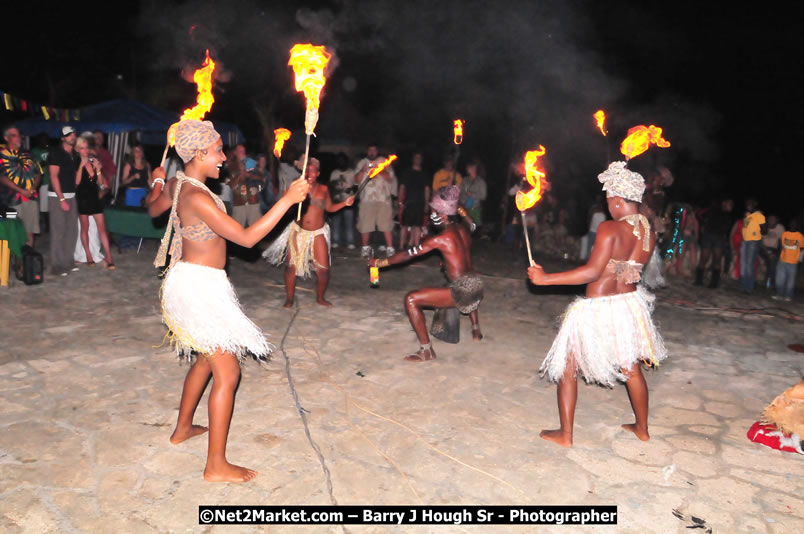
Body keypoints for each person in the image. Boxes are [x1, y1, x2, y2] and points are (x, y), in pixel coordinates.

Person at [145, 119, 309, 482]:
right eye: (218, 150)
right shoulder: (197, 197)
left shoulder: (177, 183)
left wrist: (156, 180)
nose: (223, 158)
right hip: (199, 287)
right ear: (198, 153)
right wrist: (287, 200)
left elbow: (153, 208)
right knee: (228, 372)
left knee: (207, 359)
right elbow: (247, 239)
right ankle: (215, 465)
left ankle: (182, 429)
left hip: (194, 281)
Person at [527, 161, 667, 447]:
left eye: (608, 200)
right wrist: (610, 269)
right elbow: (626, 272)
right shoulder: (647, 233)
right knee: (631, 369)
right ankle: (642, 428)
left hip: (597, 308)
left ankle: (566, 435)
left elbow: (592, 272)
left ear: (617, 200)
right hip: (628, 304)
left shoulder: (610, 228)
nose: (608, 206)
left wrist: (545, 279)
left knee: (568, 366)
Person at [370, 185, 484, 362]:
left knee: (411, 299)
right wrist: (457, 206)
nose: (431, 216)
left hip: (463, 292)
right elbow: (470, 220)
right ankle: (476, 329)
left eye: (435, 212)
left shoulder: (442, 238)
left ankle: (426, 350)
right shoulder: (464, 228)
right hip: (477, 287)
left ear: (444, 215)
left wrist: (379, 263)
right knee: (458, 279)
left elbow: (407, 255)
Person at [263, 157, 355, 308]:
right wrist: (286, 198)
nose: (309, 174)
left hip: (318, 232)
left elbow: (329, 208)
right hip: (298, 231)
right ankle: (290, 299)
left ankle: (320, 298)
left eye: (313, 171)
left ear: (318, 173)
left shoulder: (324, 189)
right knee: (291, 268)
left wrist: (345, 203)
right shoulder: (297, 187)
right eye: (307, 171)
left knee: (323, 270)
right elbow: (288, 209)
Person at [74, 133, 115, 269]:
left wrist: (98, 169)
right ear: (78, 149)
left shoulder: (93, 161)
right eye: (82, 148)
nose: (85, 151)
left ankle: (109, 257)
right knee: (85, 228)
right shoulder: (75, 162)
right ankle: (89, 256)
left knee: (102, 228)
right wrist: (81, 166)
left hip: (94, 198)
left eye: (86, 148)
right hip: (82, 199)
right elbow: (76, 183)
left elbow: (102, 184)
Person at [47, 126, 81, 276]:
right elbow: (53, 176)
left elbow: (76, 179)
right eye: (68, 135)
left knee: (72, 230)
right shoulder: (56, 153)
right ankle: (56, 265)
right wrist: (61, 198)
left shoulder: (75, 155)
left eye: (73, 134)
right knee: (58, 231)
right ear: (62, 138)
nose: (72, 136)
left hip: (71, 195)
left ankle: (68, 261)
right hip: (57, 197)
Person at [0, 125, 42, 247]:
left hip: (31, 198)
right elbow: (2, 178)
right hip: (12, 200)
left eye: (19, 135)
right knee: (14, 233)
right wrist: (21, 191)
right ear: (6, 138)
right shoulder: (2, 155)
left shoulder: (28, 153)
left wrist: (33, 188)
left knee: (30, 232)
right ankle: (17, 258)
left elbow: (38, 173)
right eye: (14, 135)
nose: (18, 138)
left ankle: (28, 258)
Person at [355, 144, 396, 258]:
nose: (372, 152)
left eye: (374, 150)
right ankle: (365, 248)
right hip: (367, 199)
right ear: (367, 151)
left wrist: (380, 170)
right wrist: (362, 170)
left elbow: (390, 178)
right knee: (365, 224)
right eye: (370, 150)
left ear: (377, 151)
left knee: (386, 224)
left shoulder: (384, 162)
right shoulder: (362, 162)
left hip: (383, 199)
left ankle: (390, 248)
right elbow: (356, 180)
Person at [695, 198, 734, 288]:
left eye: (732, 205)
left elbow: (727, 229)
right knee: (703, 258)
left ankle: (714, 283)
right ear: (724, 203)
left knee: (717, 260)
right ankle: (698, 280)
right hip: (708, 235)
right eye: (730, 204)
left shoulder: (729, 216)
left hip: (719, 238)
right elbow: (699, 214)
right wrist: (702, 224)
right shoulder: (713, 209)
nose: (731, 206)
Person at [398, 151, 430, 251]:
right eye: (416, 157)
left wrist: (426, 203)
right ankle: (401, 246)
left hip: (420, 203)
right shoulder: (407, 172)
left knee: (417, 225)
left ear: (422, 160)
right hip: (408, 202)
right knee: (405, 225)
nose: (418, 160)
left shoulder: (424, 174)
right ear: (413, 159)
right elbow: (402, 187)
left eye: (419, 158)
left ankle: (415, 246)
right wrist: (400, 201)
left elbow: (427, 189)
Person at [328, 152, 356, 249]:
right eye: (339, 161)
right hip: (337, 201)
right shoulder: (334, 173)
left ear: (346, 162)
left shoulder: (351, 172)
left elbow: (356, 186)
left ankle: (350, 241)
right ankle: (336, 241)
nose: (341, 162)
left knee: (349, 223)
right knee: (336, 222)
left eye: (343, 161)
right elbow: (330, 186)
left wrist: (349, 189)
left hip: (349, 202)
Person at [740, 198, 767, 293]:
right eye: (747, 202)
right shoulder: (747, 215)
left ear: (755, 204)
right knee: (743, 264)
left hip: (754, 241)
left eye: (750, 203)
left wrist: (757, 231)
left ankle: (749, 287)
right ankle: (743, 286)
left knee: (749, 265)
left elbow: (765, 230)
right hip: (745, 241)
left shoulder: (759, 215)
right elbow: (745, 228)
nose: (748, 204)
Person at [773, 218, 803, 302]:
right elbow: (782, 246)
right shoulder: (785, 234)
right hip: (783, 259)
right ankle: (779, 294)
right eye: (791, 223)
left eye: (794, 224)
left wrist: (798, 258)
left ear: (797, 225)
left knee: (790, 280)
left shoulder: (800, 236)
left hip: (793, 262)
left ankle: (788, 296)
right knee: (780, 278)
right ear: (789, 225)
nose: (792, 225)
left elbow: (801, 248)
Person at [229, 156, 262, 228]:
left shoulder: (252, 172)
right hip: (239, 205)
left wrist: (248, 175)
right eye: (240, 163)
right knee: (236, 228)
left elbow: (261, 180)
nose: (242, 165)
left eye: (243, 163)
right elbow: (232, 186)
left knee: (257, 227)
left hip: (253, 204)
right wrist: (240, 174)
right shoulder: (233, 174)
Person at [759, 215, 784, 289]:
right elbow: (760, 242)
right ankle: (769, 283)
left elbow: (781, 242)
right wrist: (768, 252)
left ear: (777, 221)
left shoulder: (780, 228)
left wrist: (780, 254)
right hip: (763, 248)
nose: (771, 221)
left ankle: (769, 282)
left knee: (775, 262)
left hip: (774, 249)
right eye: (769, 219)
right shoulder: (764, 226)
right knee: (772, 261)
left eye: (773, 219)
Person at [459, 159, 487, 225]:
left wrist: (472, 194)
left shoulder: (480, 181)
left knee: (475, 228)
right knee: (464, 228)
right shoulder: (464, 180)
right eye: (468, 167)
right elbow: (460, 193)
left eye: (472, 167)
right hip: (465, 210)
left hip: (475, 209)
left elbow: (483, 196)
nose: (469, 169)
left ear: (475, 168)